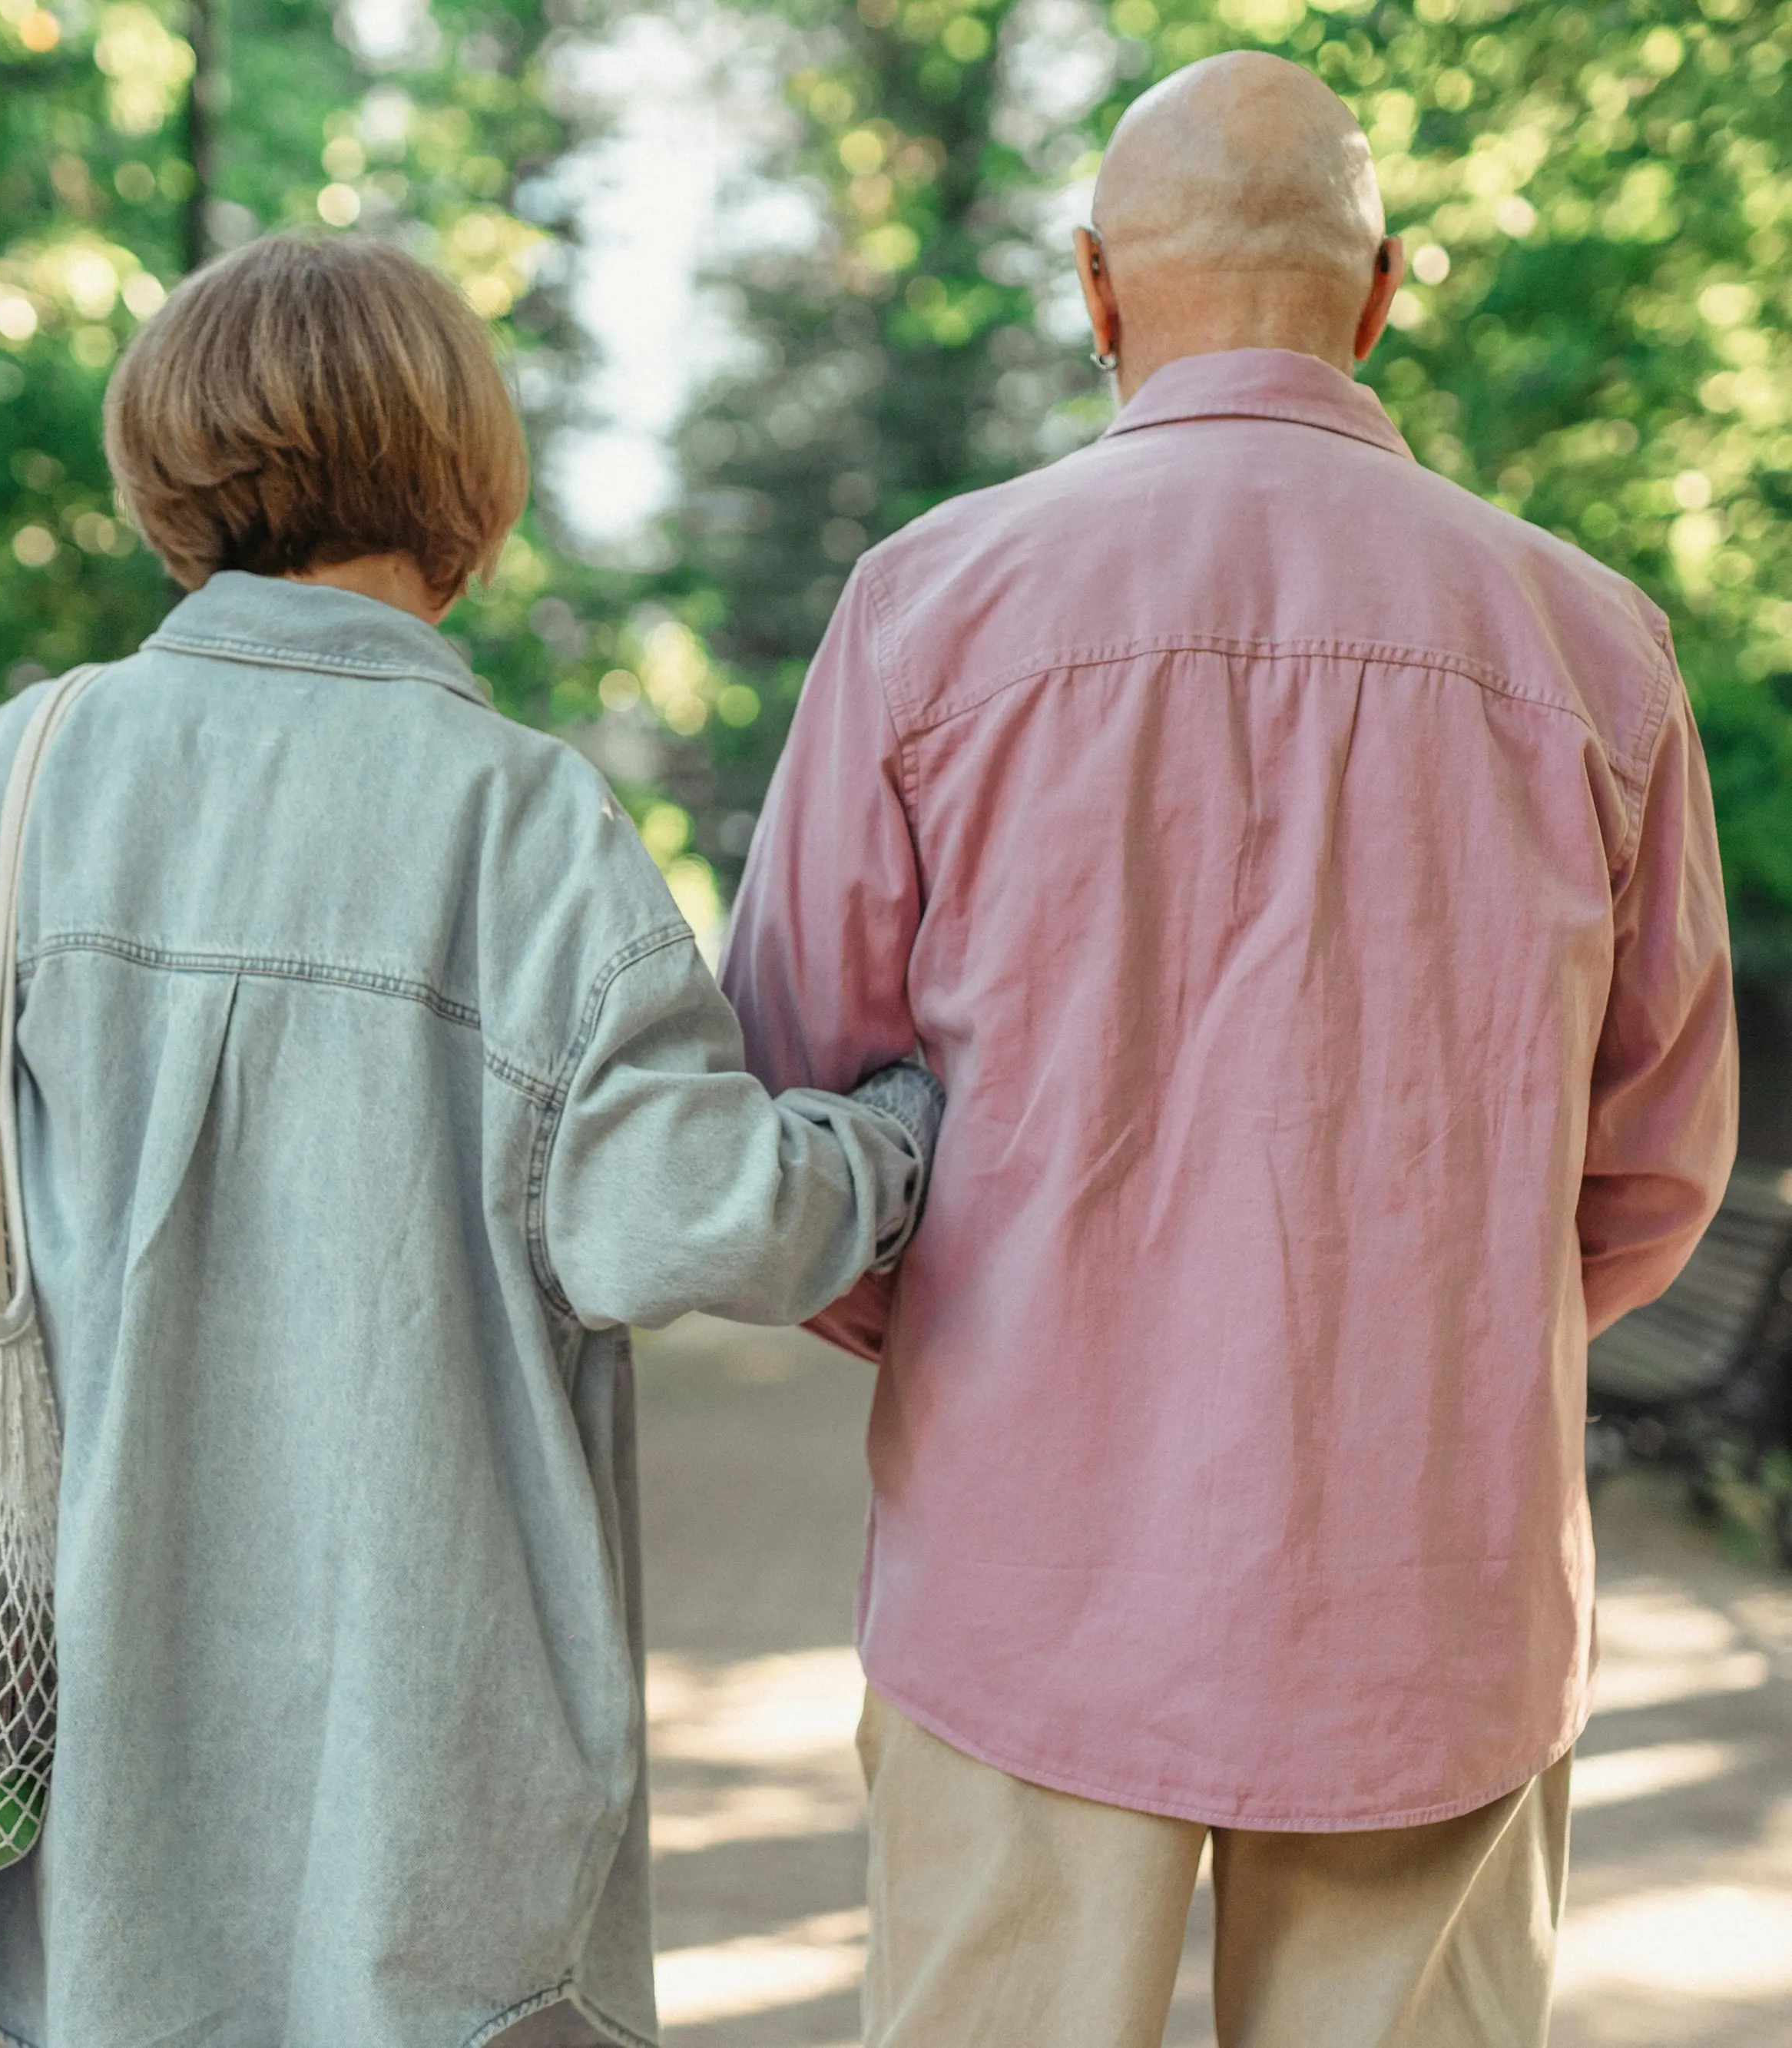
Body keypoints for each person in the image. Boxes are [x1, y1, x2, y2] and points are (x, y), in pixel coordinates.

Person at [0, 234, 941, 2048]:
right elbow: (681, 1218)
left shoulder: (3, 788)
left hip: (87, 1745)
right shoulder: (525, 824)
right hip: (436, 1758)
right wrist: (900, 1133)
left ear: (164, 471)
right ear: (465, 484)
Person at [721, 49, 1736, 2048]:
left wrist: (999, 1337)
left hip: (1025, 1569)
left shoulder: (928, 608)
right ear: (1382, 294)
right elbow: (1651, 1170)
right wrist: (1435, 1344)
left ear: (1095, 288)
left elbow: (796, 1116)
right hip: (1434, 1575)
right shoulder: (1591, 645)